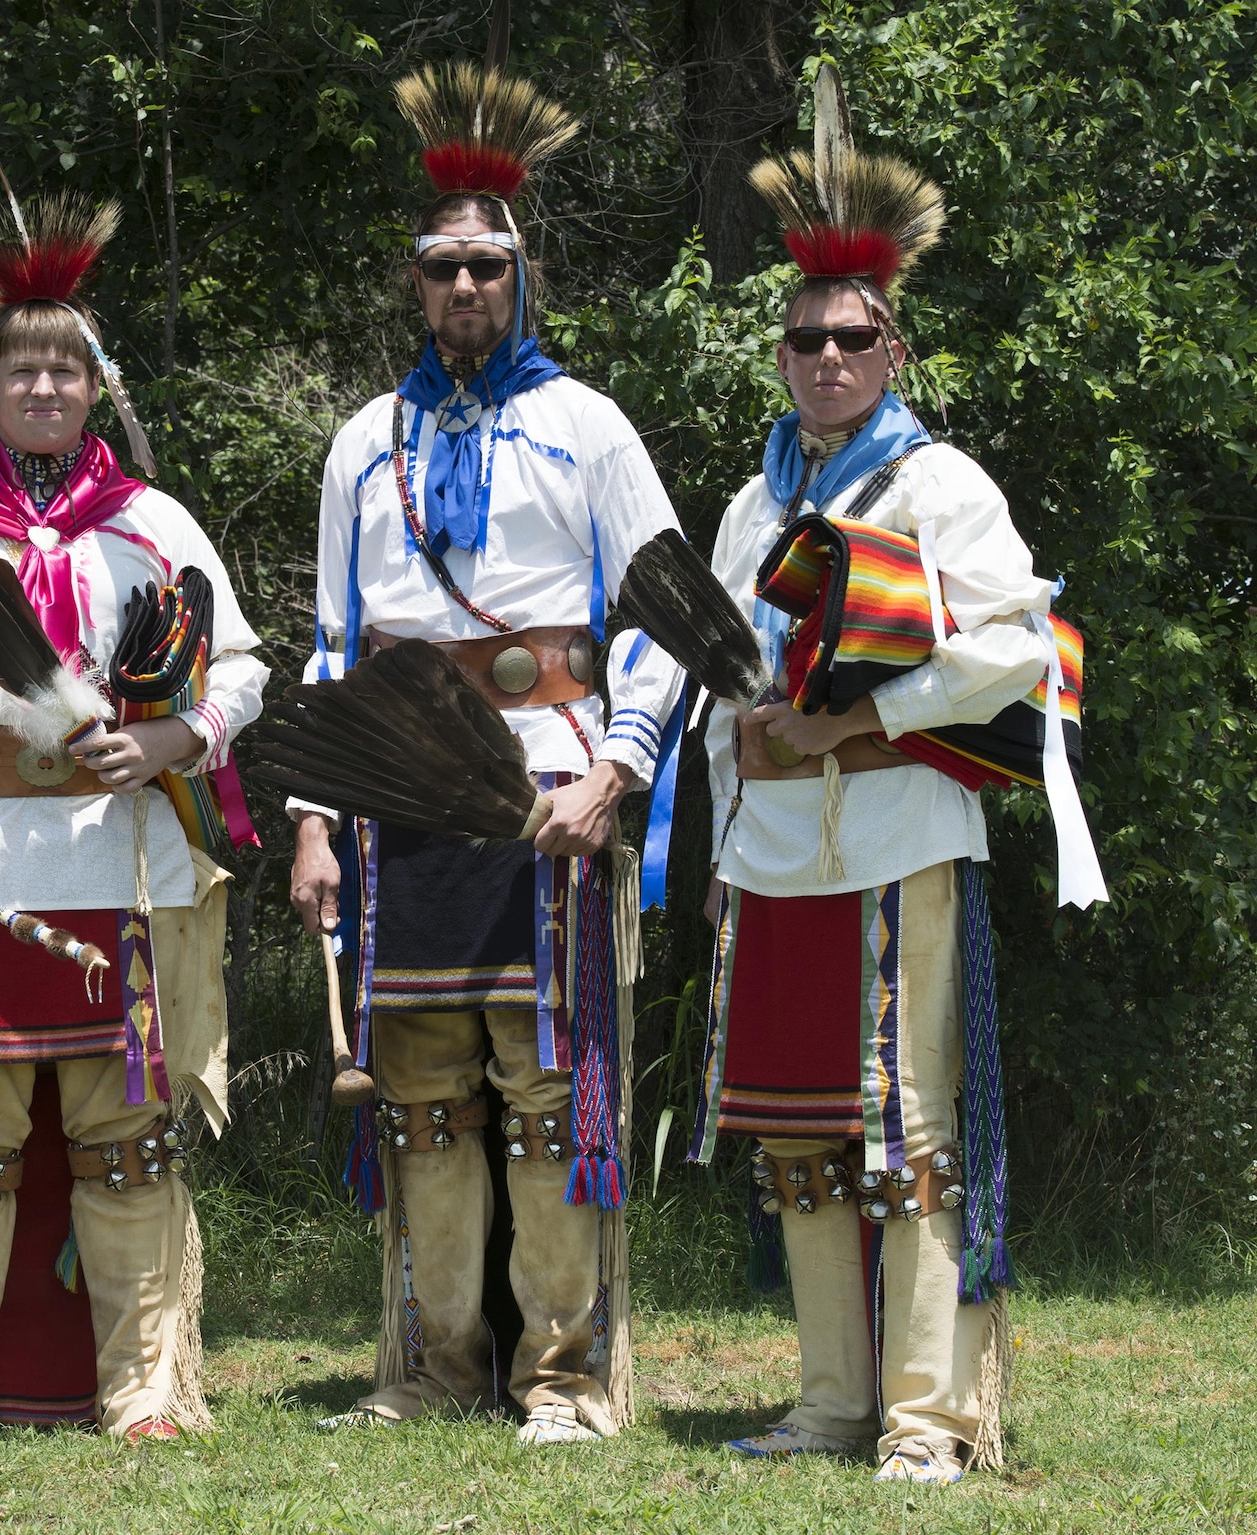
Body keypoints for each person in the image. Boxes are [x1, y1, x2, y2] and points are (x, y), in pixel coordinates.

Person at [691, 66, 1098, 1484]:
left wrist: (851, 729)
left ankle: (926, 1416)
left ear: (892, 346)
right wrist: (731, 727)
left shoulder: (939, 485)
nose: (824, 359)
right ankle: (828, 1399)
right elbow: (732, 656)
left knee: (906, 1131)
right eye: (803, 339)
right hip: (774, 854)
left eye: (850, 338)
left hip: (899, 840)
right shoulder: (754, 499)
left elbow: (1017, 649)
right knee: (804, 1132)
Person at [286, 63, 687, 1446]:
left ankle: (566, 1375)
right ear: (414, 282)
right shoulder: (363, 443)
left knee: (542, 1086)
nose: (465, 287)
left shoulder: (588, 426)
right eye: (443, 266)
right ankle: (431, 1365)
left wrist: (616, 768)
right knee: (422, 1094)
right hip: (398, 798)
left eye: (488, 267)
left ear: (523, 277)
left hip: (546, 790)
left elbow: (671, 616)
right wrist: (312, 820)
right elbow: (333, 647)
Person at [0, 192, 267, 1447]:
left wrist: (177, 737)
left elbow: (239, 663)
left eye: (64, 365)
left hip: (118, 858)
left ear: (91, 385)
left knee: (123, 1134)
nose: (41, 383)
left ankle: (143, 1386)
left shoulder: (151, 524)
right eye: (20, 363)